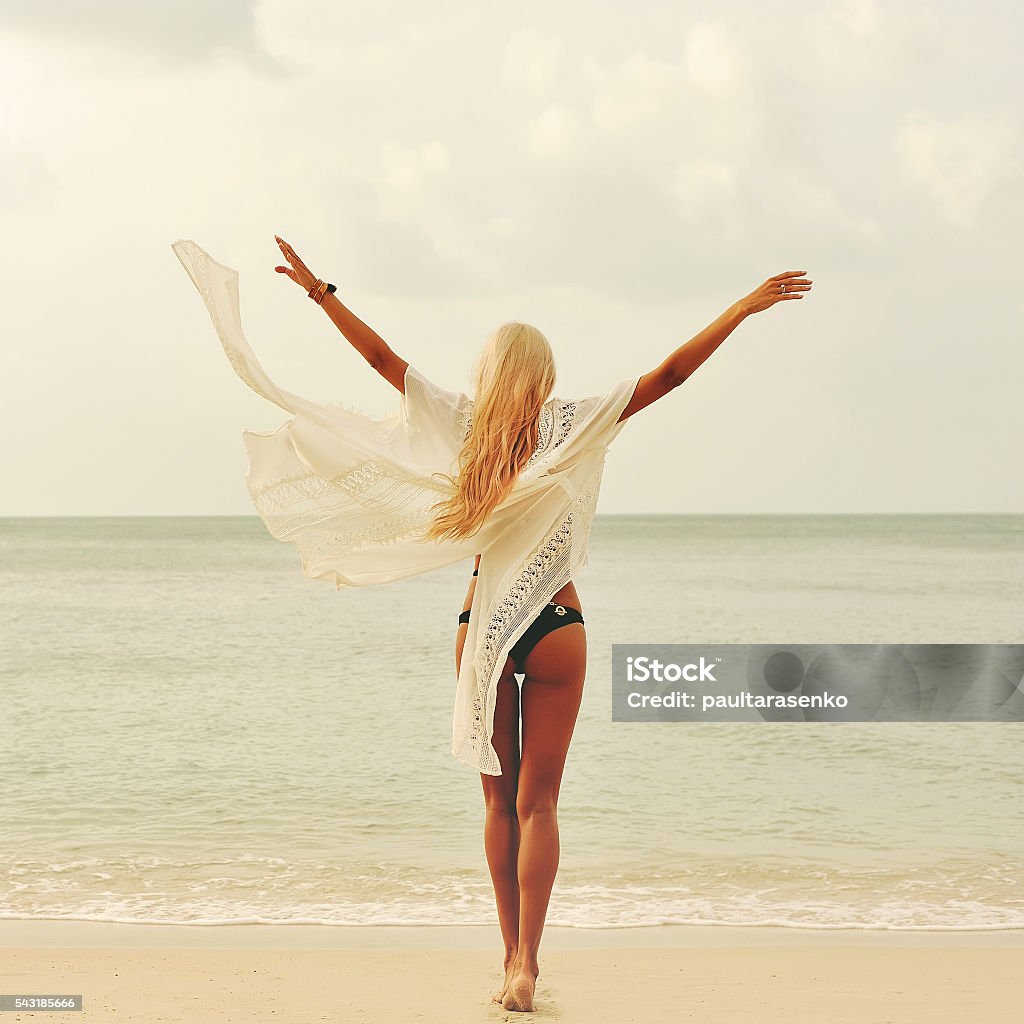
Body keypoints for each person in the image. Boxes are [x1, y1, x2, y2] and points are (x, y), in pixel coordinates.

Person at [171, 234, 812, 1012]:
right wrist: (740, 309)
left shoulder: (464, 425)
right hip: (557, 624)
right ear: (542, 377)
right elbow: (670, 375)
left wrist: (321, 292)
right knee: (541, 803)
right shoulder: (579, 421)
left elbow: (381, 361)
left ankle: (506, 954)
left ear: (488, 372)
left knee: (496, 803)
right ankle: (528, 967)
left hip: (484, 627)